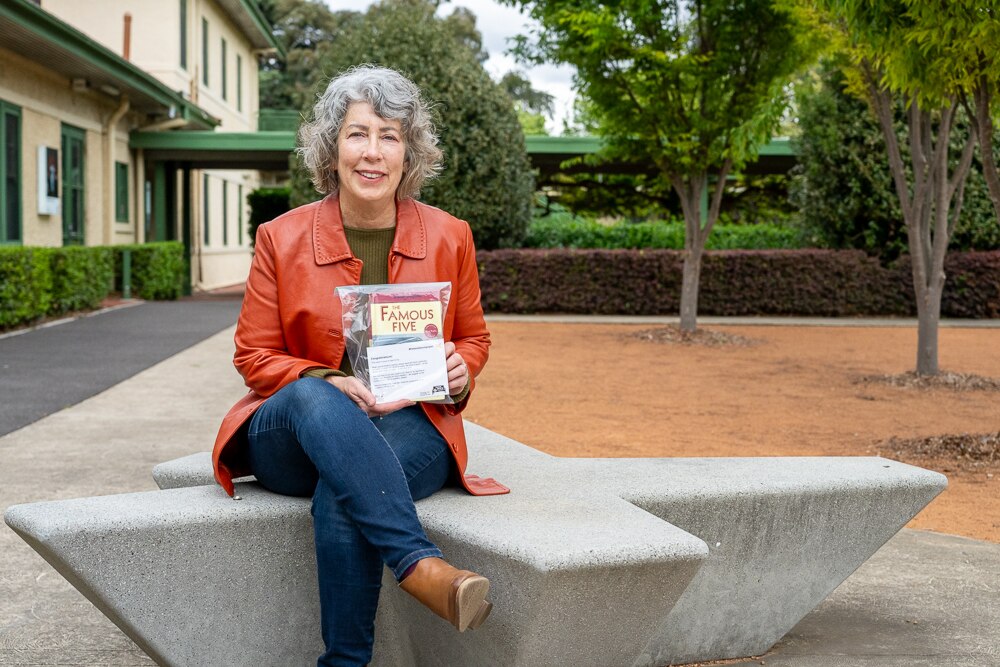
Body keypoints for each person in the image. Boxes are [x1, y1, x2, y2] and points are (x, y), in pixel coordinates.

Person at [211, 64, 509, 666]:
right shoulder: (281, 236)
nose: (373, 152)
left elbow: (474, 338)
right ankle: (418, 564)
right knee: (312, 397)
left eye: (390, 136)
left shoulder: (451, 236)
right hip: (294, 434)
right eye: (357, 134)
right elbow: (254, 354)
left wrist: (461, 369)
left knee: (344, 490)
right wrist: (329, 380)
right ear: (331, 147)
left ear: (409, 153)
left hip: (408, 423)